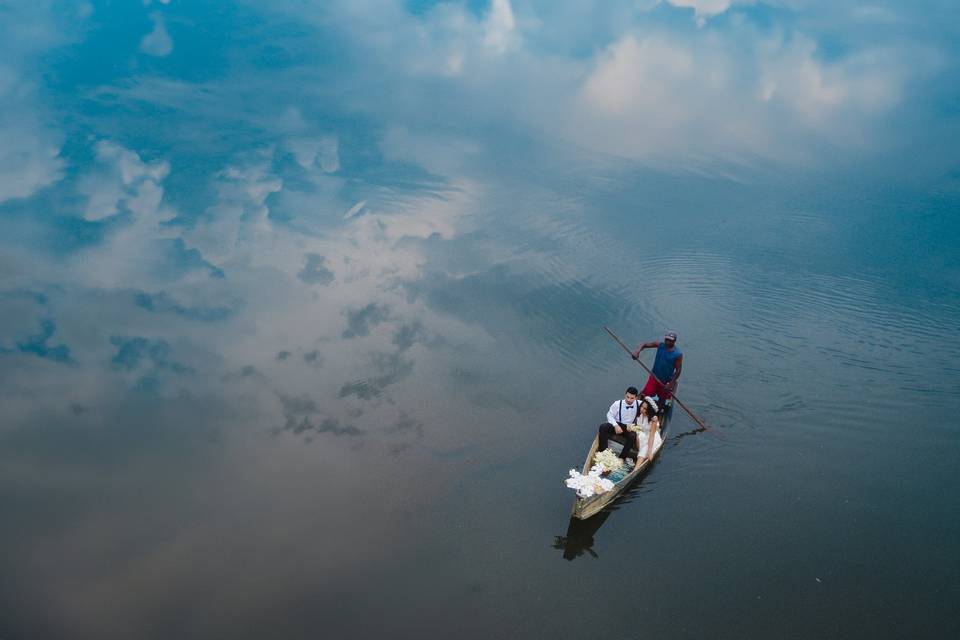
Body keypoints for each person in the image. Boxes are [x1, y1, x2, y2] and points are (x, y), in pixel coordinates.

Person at [632, 331, 682, 403]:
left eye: (670, 340)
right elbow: (644, 344)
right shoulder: (660, 345)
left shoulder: (678, 354)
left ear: (674, 341)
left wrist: (671, 383)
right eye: (666, 340)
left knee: (662, 400)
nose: (667, 342)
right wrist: (637, 352)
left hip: (666, 382)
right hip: (654, 377)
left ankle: (658, 412)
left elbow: (678, 371)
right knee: (644, 396)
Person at [597, 386, 641, 459]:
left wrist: (654, 416)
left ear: (636, 398)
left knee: (633, 436)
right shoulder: (617, 404)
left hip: (629, 428)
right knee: (603, 427)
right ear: (625, 395)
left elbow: (649, 407)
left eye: (632, 398)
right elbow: (609, 415)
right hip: (618, 425)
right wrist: (615, 425)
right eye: (627, 397)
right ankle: (604, 453)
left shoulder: (639, 404)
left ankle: (622, 458)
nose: (629, 400)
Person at [627, 396, 662, 463]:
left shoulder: (653, 419)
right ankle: (640, 454)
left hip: (652, 438)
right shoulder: (639, 413)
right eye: (642, 406)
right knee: (639, 436)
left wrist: (649, 451)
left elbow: (652, 436)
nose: (642, 409)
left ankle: (636, 469)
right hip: (642, 435)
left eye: (645, 408)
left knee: (644, 450)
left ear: (649, 410)